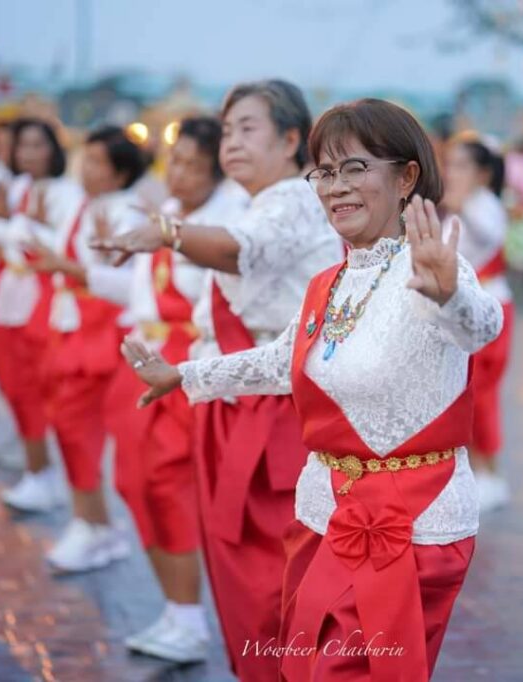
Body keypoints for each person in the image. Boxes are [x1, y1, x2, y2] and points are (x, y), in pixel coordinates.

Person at [116, 98, 502, 681]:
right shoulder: (332, 280)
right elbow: (284, 359)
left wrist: (451, 295)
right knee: (301, 665)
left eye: (355, 168)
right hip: (325, 511)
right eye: (324, 172)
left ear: (406, 178)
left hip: (411, 522)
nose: (335, 187)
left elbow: (479, 328)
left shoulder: (431, 270)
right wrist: (185, 376)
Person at [92, 80, 342, 681]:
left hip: (273, 411)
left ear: (290, 139)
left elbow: (243, 251)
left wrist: (170, 233)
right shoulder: (255, 202)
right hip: (235, 394)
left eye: (248, 128)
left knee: (269, 572)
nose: (231, 142)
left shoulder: (293, 198)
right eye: (227, 130)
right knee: (242, 567)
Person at [91, 116, 248, 661]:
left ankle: (188, 617)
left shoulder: (224, 222)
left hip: (185, 360)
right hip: (144, 352)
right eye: (173, 160)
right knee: (132, 482)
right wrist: (97, 264)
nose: (178, 174)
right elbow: (143, 296)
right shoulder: (168, 213)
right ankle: (175, 610)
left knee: (170, 485)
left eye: (192, 165)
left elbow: (208, 292)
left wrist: (170, 233)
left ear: (217, 171)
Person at [17, 126, 154, 572]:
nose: (86, 169)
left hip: (101, 333)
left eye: (97, 162)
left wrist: (70, 268)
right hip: (74, 325)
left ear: (120, 173)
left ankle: (94, 524)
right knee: (69, 423)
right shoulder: (89, 203)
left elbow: (130, 284)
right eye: (86, 159)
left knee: (79, 426)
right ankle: (93, 522)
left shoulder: (126, 212)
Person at [0, 118, 81, 512]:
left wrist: (14, 223)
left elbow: (55, 246)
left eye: (37, 145)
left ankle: (47, 474)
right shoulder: (17, 187)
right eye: (22, 146)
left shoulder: (67, 193)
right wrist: (5, 221)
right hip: (10, 294)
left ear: (54, 149)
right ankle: (36, 469)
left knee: (36, 388)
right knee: (13, 384)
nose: (29, 154)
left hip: (42, 297)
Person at [442, 134, 513, 510]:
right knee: (462, 390)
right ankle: (471, 469)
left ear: (483, 174)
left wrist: (462, 208)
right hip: (460, 308)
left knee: (481, 392)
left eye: (460, 166)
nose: (451, 173)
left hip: (489, 306)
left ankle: (491, 473)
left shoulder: (485, 205)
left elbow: (491, 236)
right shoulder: (457, 207)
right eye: (449, 164)